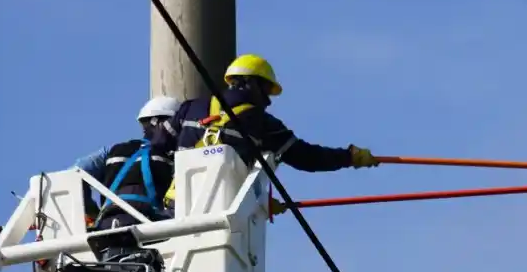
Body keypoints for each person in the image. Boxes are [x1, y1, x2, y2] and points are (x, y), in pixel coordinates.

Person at [160, 54, 379, 213]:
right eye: (266, 90)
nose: (268, 99)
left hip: (175, 207)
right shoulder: (263, 123)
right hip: (220, 211)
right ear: (251, 83)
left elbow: (156, 149)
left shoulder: (190, 108)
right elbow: (308, 158)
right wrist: (349, 157)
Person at [85, 96, 182, 230]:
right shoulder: (172, 156)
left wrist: (93, 212)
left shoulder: (114, 150)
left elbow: (77, 171)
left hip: (105, 225)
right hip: (147, 227)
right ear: (161, 122)